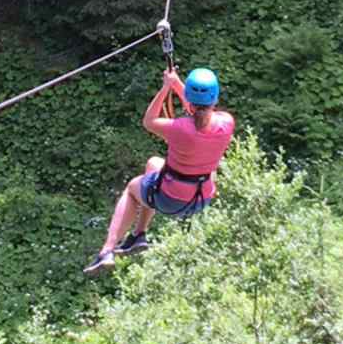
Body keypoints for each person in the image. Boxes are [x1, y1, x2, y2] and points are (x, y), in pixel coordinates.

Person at [83, 66, 234, 276]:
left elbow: (149, 121)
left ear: (189, 99)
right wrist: (176, 83)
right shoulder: (226, 123)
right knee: (153, 164)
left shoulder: (179, 127)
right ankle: (138, 234)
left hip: (170, 199)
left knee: (132, 188)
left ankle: (106, 251)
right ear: (215, 99)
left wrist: (165, 88)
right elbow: (198, 112)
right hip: (201, 198)